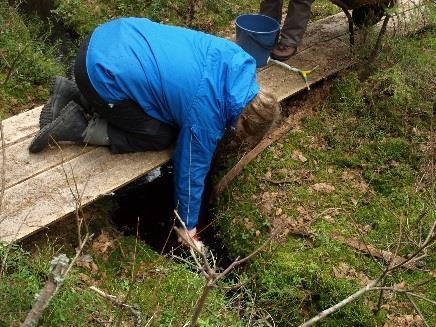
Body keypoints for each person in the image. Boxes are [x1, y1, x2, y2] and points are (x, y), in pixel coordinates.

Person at [29, 17, 280, 250]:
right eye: (239, 131)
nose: (234, 132)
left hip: (105, 39)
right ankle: (77, 127)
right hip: (101, 72)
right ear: (244, 118)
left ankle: (72, 92)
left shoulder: (238, 60)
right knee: (160, 135)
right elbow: (191, 167)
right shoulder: (207, 113)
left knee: (153, 99)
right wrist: (188, 227)